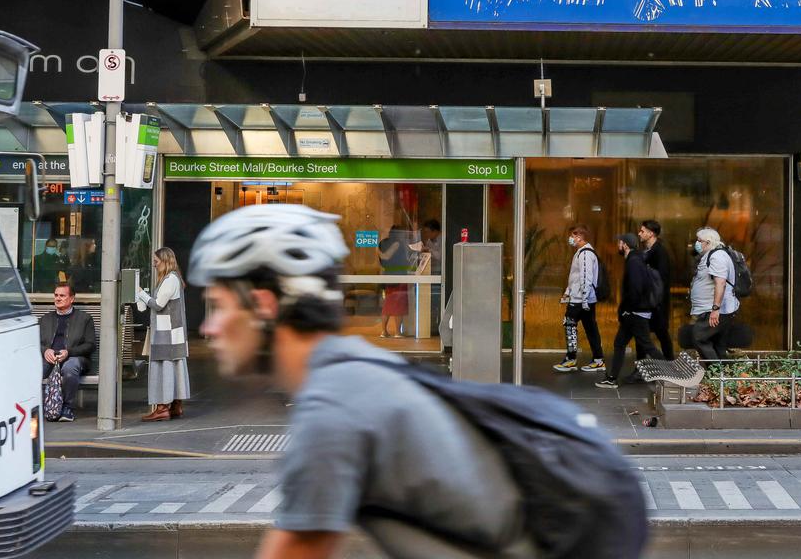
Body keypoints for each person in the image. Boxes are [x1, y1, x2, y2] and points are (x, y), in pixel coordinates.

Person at [189, 204, 537, 558]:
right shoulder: (356, 373)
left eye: (218, 306)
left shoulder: (332, 409)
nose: (208, 328)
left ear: (263, 305)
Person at [596, 234, 664, 389]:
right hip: (635, 312)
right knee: (619, 343)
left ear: (625, 245)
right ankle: (612, 378)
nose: (618, 245)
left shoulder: (633, 262)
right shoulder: (636, 260)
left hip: (636, 313)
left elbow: (636, 289)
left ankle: (673, 374)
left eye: (620, 242)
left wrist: (628, 310)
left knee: (647, 346)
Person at [135, 248, 191, 422]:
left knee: (163, 367)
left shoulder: (170, 279)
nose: (154, 264)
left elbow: (158, 305)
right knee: (174, 368)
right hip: (173, 333)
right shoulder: (173, 279)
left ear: (165, 261)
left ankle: (162, 408)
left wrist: (140, 293)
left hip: (166, 334)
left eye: (156, 261)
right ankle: (175, 405)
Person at [552, 225, 605, 373]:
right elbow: (575, 277)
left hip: (581, 299)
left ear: (580, 237)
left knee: (569, 324)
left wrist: (583, 299)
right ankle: (598, 360)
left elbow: (586, 277)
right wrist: (568, 292)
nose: (571, 239)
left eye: (573, 236)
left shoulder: (585, 254)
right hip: (581, 298)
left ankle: (571, 359)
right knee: (590, 328)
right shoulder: (581, 252)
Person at [38, 282, 95, 422]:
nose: (58, 298)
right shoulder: (45, 319)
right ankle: (37, 408)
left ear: (72, 299)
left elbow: (90, 345)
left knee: (70, 367)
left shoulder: (84, 319)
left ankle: (67, 407)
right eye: (56, 295)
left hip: (74, 357)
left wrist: (69, 352)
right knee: (34, 370)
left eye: (62, 295)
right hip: (50, 358)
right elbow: (34, 342)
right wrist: (45, 351)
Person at [688, 228, 739, 361]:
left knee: (698, 336)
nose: (697, 244)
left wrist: (715, 309)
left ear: (708, 242)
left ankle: (716, 373)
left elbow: (720, 283)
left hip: (715, 310)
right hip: (715, 309)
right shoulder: (713, 255)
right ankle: (722, 378)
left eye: (699, 241)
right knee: (718, 345)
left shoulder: (717, 256)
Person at [638, 220, 673, 360]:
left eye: (642, 231)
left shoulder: (659, 252)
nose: (639, 233)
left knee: (661, 333)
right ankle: (642, 367)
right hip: (650, 301)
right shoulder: (648, 251)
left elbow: (661, 279)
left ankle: (670, 363)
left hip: (656, 302)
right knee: (644, 333)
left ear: (651, 233)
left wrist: (655, 300)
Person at [377, 225, 414, 338]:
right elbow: (387, 257)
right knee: (399, 305)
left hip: (388, 276)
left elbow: (382, 260)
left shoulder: (383, 243)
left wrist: (377, 251)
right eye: (403, 233)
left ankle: (384, 331)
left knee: (388, 304)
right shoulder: (398, 243)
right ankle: (397, 332)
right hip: (399, 277)